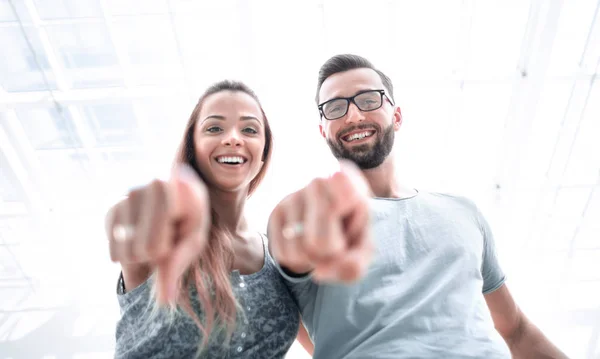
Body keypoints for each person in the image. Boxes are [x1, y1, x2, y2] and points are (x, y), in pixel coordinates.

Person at [267, 54, 569, 358]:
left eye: (369, 100)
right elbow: (292, 242)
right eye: (335, 107)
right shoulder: (313, 214)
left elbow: (516, 329)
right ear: (323, 131)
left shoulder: (464, 213)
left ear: (397, 116)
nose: (354, 115)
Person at [105, 80, 313, 358]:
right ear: (193, 148)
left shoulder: (276, 258)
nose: (233, 138)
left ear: (263, 154)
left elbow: (326, 345)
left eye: (249, 129)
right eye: (214, 128)